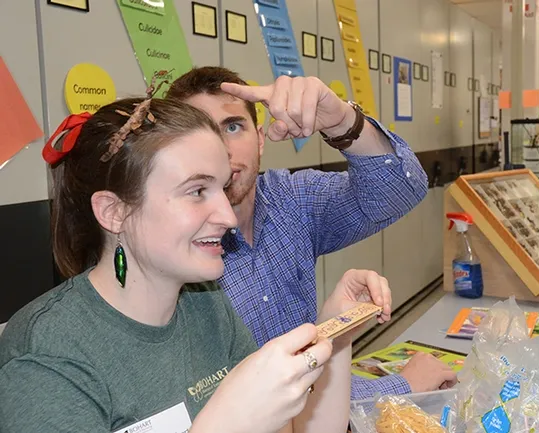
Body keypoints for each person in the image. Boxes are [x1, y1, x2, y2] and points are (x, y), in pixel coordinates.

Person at [0, 87, 393, 432]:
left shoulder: (206, 303)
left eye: (222, 187)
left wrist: (335, 333)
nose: (226, 215)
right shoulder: (45, 355)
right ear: (114, 212)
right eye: (196, 191)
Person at [167, 67, 459, 400]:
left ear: (260, 138)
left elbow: (400, 190)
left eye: (233, 127)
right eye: (200, 131)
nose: (222, 150)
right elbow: (246, 402)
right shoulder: (172, 248)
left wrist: (342, 122)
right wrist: (400, 386)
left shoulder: (289, 199)